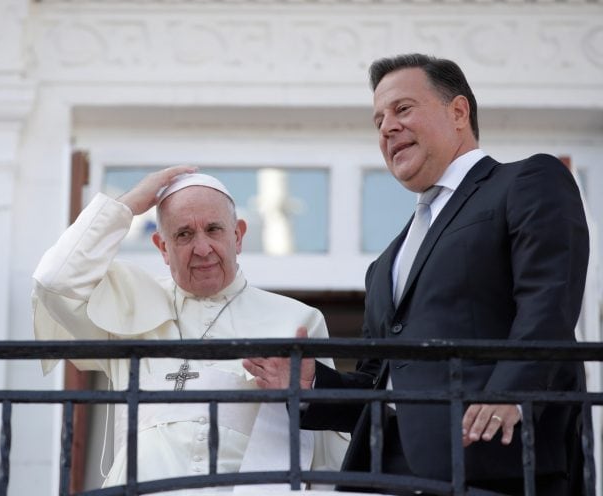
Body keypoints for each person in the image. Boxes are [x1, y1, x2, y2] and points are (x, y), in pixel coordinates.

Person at [243, 53, 589, 495]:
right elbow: (376, 379)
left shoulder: (525, 181)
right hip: (385, 471)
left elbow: (549, 301)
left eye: (403, 109)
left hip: (493, 462)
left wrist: (509, 393)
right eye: (378, 120)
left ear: (458, 112)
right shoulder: (386, 261)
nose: (387, 127)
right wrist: (311, 382)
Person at [32, 166, 348, 490]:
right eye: (184, 234)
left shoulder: (295, 320)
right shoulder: (128, 305)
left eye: (213, 230)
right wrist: (126, 206)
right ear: (162, 247)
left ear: (237, 235)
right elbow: (54, 282)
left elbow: (327, 457)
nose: (202, 248)